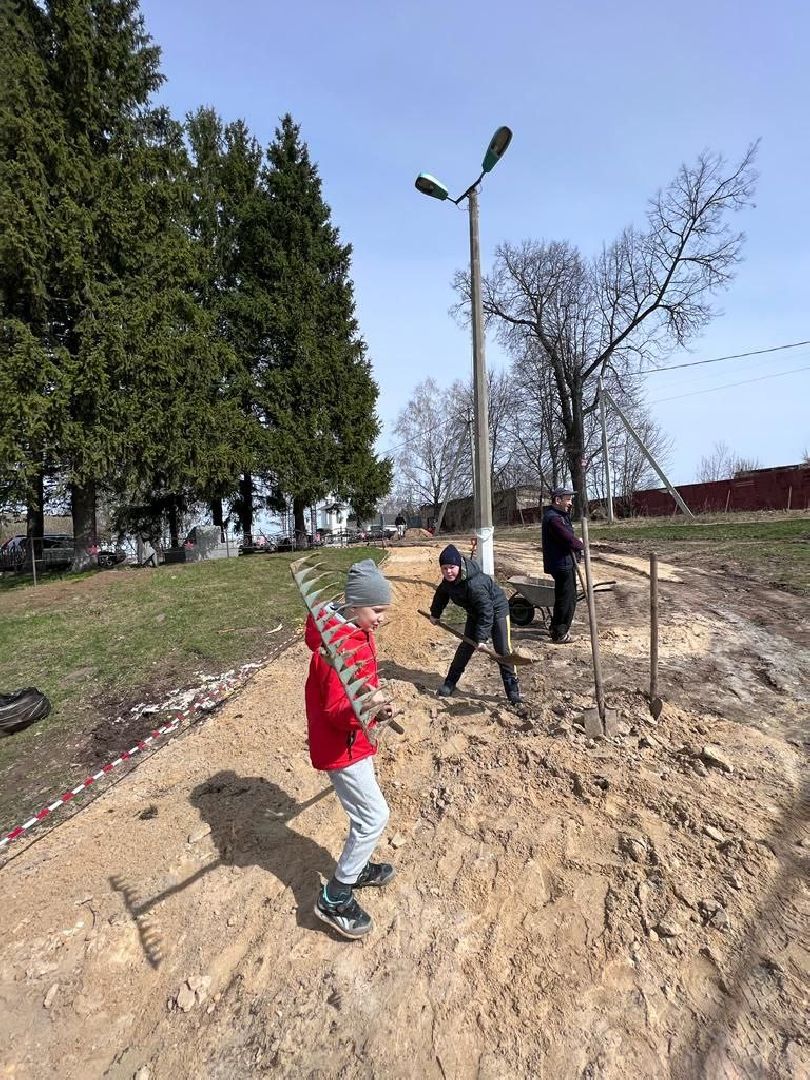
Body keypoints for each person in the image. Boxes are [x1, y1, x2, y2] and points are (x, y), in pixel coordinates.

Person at [304, 559, 395, 939]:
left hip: (356, 740)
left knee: (366, 813)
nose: (380, 619)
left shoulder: (354, 633)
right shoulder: (332, 652)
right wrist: (369, 708)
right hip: (343, 745)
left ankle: (356, 869)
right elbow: (336, 710)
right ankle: (336, 895)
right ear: (354, 604)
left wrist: (373, 706)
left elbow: (357, 691)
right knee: (374, 816)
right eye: (376, 611)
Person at [429, 544, 522, 705]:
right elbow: (441, 595)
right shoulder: (449, 581)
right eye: (444, 568)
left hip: (497, 610)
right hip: (475, 612)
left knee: (503, 650)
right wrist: (435, 614)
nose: (448, 572)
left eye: (451, 567)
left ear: (458, 565)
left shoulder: (475, 584)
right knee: (465, 648)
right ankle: (450, 682)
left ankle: (513, 690)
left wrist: (482, 638)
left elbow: (487, 612)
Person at [541, 487, 584, 643]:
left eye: (571, 499)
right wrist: (580, 544)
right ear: (557, 500)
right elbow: (567, 539)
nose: (570, 503)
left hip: (562, 562)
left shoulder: (559, 516)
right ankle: (560, 633)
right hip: (561, 564)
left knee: (564, 597)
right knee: (567, 599)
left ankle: (555, 628)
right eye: (568, 499)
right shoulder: (554, 519)